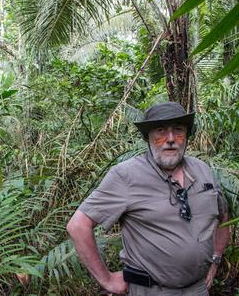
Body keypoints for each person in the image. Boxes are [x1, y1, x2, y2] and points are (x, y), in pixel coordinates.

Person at [66, 102, 230, 296]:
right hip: (150, 290)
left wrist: (216, 259)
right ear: (148, 137)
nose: (170, 139)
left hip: (198, 289)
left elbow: (223, 216)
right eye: (161, 131)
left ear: (186, 136)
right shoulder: (126, 175)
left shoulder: (202, 170)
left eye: (178, 130)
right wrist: (107, 280)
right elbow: (78, 226)